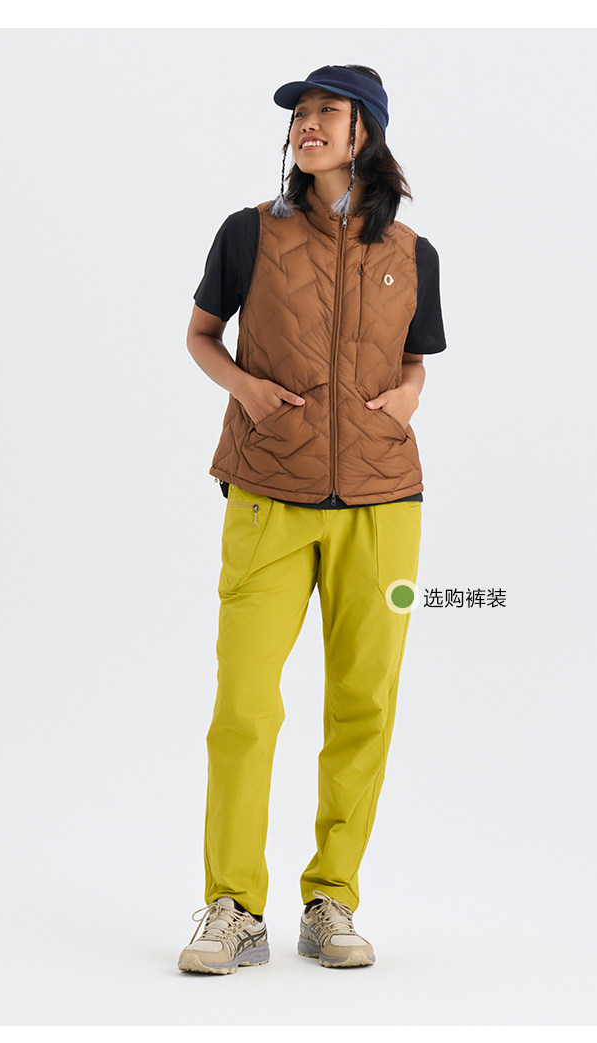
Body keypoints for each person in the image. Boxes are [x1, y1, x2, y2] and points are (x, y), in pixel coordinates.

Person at [178, 64, 447, 975]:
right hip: (267, 494)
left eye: (328, 109)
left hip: (384, 504)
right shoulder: (248, 232)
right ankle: (232, 907)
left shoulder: (413, 251)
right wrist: (247, 391)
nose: (308, 123)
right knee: (244, 705)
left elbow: (416, 361)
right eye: (300, 111)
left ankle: (332, 899)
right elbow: (200, 336)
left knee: (365, 704)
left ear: (366, 130)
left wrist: (409, 397)